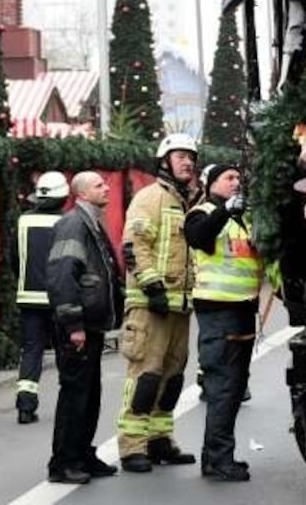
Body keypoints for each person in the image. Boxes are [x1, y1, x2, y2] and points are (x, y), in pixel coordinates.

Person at [185, 163, 279, 482]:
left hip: (241, 311)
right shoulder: (201, 213)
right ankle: (218, 461)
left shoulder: (241, 220)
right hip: (218, 312)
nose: (236, 182)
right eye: (229, 178)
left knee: (235, 388)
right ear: (212, 184)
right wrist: (225, 210)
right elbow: (199, 237)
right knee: (223, 388)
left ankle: (216, 457)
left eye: (240, 177)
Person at [116, 133, 201, 473]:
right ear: (165, 161)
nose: (188, 162)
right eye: (181, 156)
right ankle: (132, 446)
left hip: (181, 305)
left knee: (173, 376)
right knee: (145, 375)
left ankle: (159, 440)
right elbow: (134, 245)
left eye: (191, 157)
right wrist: (153, 288)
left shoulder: (191, 200)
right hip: (151, 304)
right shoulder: (149, 198)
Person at [44, 171, 123, 484]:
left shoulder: (91, 221)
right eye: (99, 185)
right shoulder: (73, 224)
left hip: (92, 326)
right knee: (75, 395)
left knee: (90, 394)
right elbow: (62, 275)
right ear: (81, 194)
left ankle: (83, 454)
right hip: (78, 328)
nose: (107, 188)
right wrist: (73, 324)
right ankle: (63, 463)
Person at [14, 171, 70, 425]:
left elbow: (14, 259)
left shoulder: (22, 222)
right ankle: (68, 404)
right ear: (64, 196)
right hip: (61, 299)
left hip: (29, 297)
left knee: (32, 350)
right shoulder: (68, 223)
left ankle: (25, 405)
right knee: (64, 351)